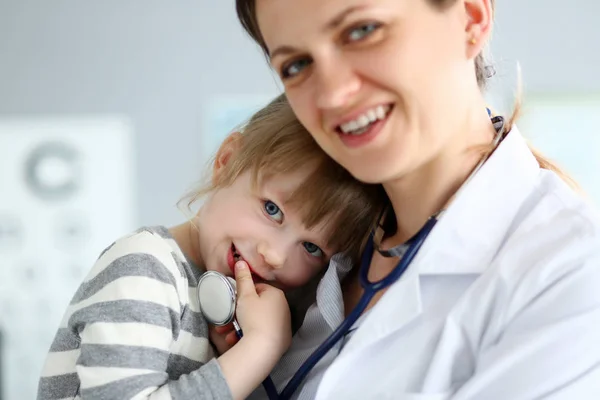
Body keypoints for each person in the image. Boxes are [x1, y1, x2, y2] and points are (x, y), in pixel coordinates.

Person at [229, 0, 600, 398]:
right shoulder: (310, 248)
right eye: (297, 65)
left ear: (471, 17)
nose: (333, 95)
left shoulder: (570, 275)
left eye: (361, 31)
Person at [36, 95, 385, 400]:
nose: (275, 255)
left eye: (311, 247)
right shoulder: (145, 267)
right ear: (227, 161)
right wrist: (259, 350)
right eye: (272, 210)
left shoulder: (236, 310)